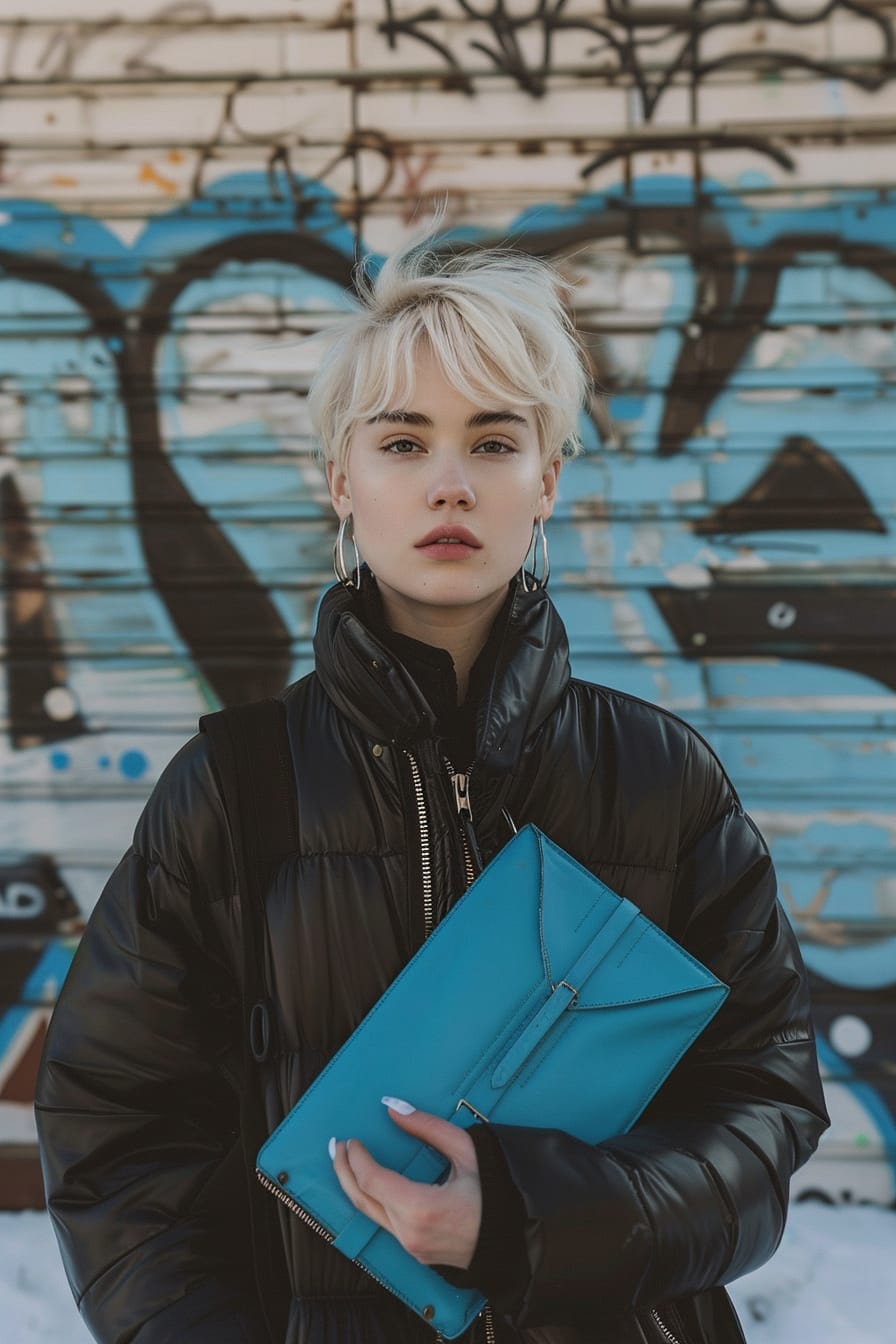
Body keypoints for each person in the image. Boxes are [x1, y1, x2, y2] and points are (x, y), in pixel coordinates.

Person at [35, 226, 829, 1344]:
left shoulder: (661, 780)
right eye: (403, 443)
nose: (449, 482)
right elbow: (117, 1130)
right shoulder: (232, 790)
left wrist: (531, 1222)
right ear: (339, 480)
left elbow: (760, 1106)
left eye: (493, 442)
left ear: (545, 478)